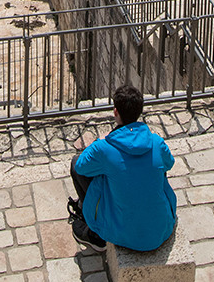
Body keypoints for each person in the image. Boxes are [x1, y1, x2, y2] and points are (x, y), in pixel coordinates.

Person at [68, 84, 177, 252]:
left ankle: (96, 236)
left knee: (77, 164)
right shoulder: (156, 142)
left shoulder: (104, 148)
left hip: (122, 234)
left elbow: (81, 166)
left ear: (115, 112)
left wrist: (101, 140)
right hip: (160, 230)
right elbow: (169, 163)